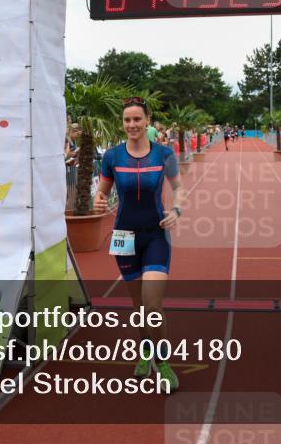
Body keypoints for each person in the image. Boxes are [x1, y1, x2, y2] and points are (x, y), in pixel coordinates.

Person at [93, 96, 186, 392]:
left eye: (137, 119)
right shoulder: (112, 156)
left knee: (152, 305)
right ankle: (145, 349)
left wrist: (176, 211)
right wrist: (98, 201)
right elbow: (103, 193)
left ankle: (163, 362)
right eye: (127, 120)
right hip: (123, 236)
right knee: (138, 306)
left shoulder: (163, 154)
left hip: (156, 234)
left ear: (147, 121)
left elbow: (179, 188)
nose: (131, 124)